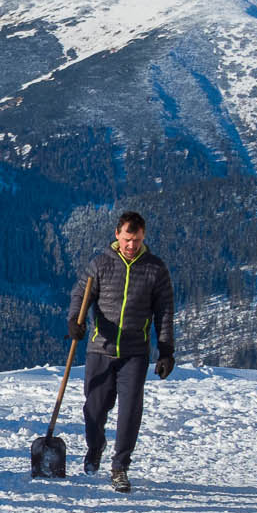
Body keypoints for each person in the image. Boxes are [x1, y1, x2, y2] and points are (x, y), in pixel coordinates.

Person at [69, 210, 175, 493]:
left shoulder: (155, 268)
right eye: (128, 239)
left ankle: (120, 467)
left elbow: (164, 312)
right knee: (94, 409)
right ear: (118, 234)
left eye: (138, 240)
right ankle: (96, 446)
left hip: (134, 353)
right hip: (100, 350)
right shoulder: (101, 264)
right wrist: (74, 321)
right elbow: (81, 294)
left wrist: (166, 351)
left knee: (129, 411)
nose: (132, 245)